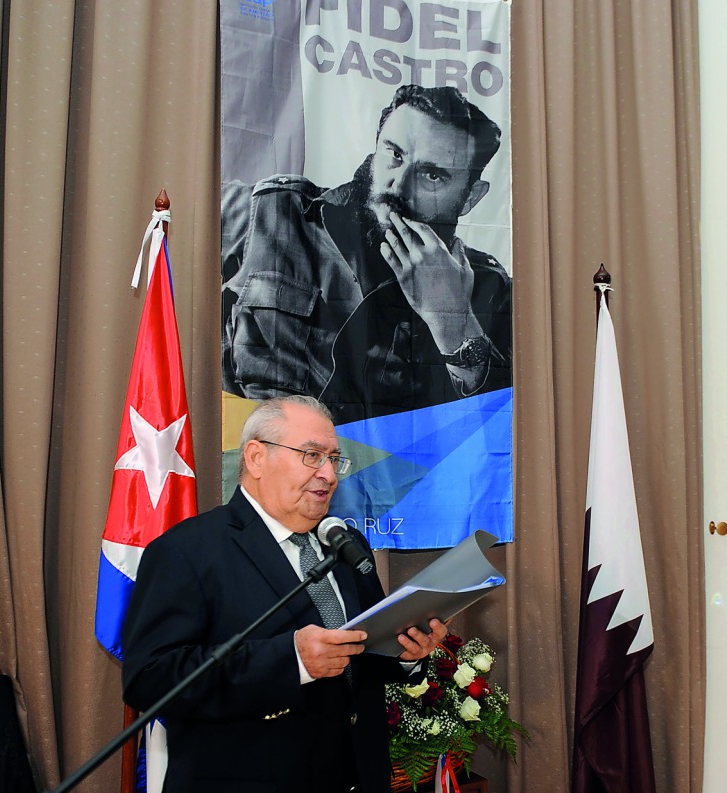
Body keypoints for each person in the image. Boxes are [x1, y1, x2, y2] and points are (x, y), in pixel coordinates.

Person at [122, 396, 448, 792]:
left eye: (334, 459)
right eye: (312, 456)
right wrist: (291, 661)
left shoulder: (344, 543)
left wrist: (407, 654)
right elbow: (150, 679)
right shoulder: (187, 550)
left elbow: (362, 657)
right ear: (256, 458)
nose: (329, 474)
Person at [221, 84, 512, 423]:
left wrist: (454, 323)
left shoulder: (490, 291)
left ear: (471, 197)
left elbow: (498, 431)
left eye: (432, 175)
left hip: (380, 458)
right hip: (255, 452)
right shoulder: (271, 213)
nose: (398, 186)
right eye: (395, 155)